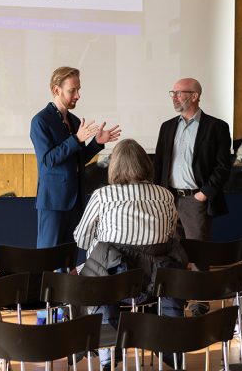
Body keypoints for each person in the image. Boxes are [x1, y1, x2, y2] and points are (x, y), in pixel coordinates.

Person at [74, 139, 185, 370]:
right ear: (146, 164)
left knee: (94, 267)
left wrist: (104, 242)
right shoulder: (165, 196)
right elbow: (169, 236)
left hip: (113, 286)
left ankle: (104, 350)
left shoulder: (102, 196)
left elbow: (81, 239)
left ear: (114, 166)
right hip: (157, 285)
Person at [30, 66, 121, 248]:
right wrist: (76, 139)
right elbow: (47, 160)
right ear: (57, 90)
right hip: (53, 202)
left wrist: (96, 143)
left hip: (76, 200)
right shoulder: (40, 121)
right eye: (72, 90)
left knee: (69, 255)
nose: (78, 95)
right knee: (48, 256)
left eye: (78, 90)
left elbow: (78, 159)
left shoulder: (76, 121)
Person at [154, 78, 232, 242]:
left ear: (194, 96)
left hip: (195, 200)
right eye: (173, 93)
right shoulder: (167, 127)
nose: (174, 97)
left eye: (178, 93)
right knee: (172, 251)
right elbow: (159, 164)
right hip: (169, 199)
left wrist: (203, 195)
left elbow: (223, 167)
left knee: (197, 252)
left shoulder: (217, 127)